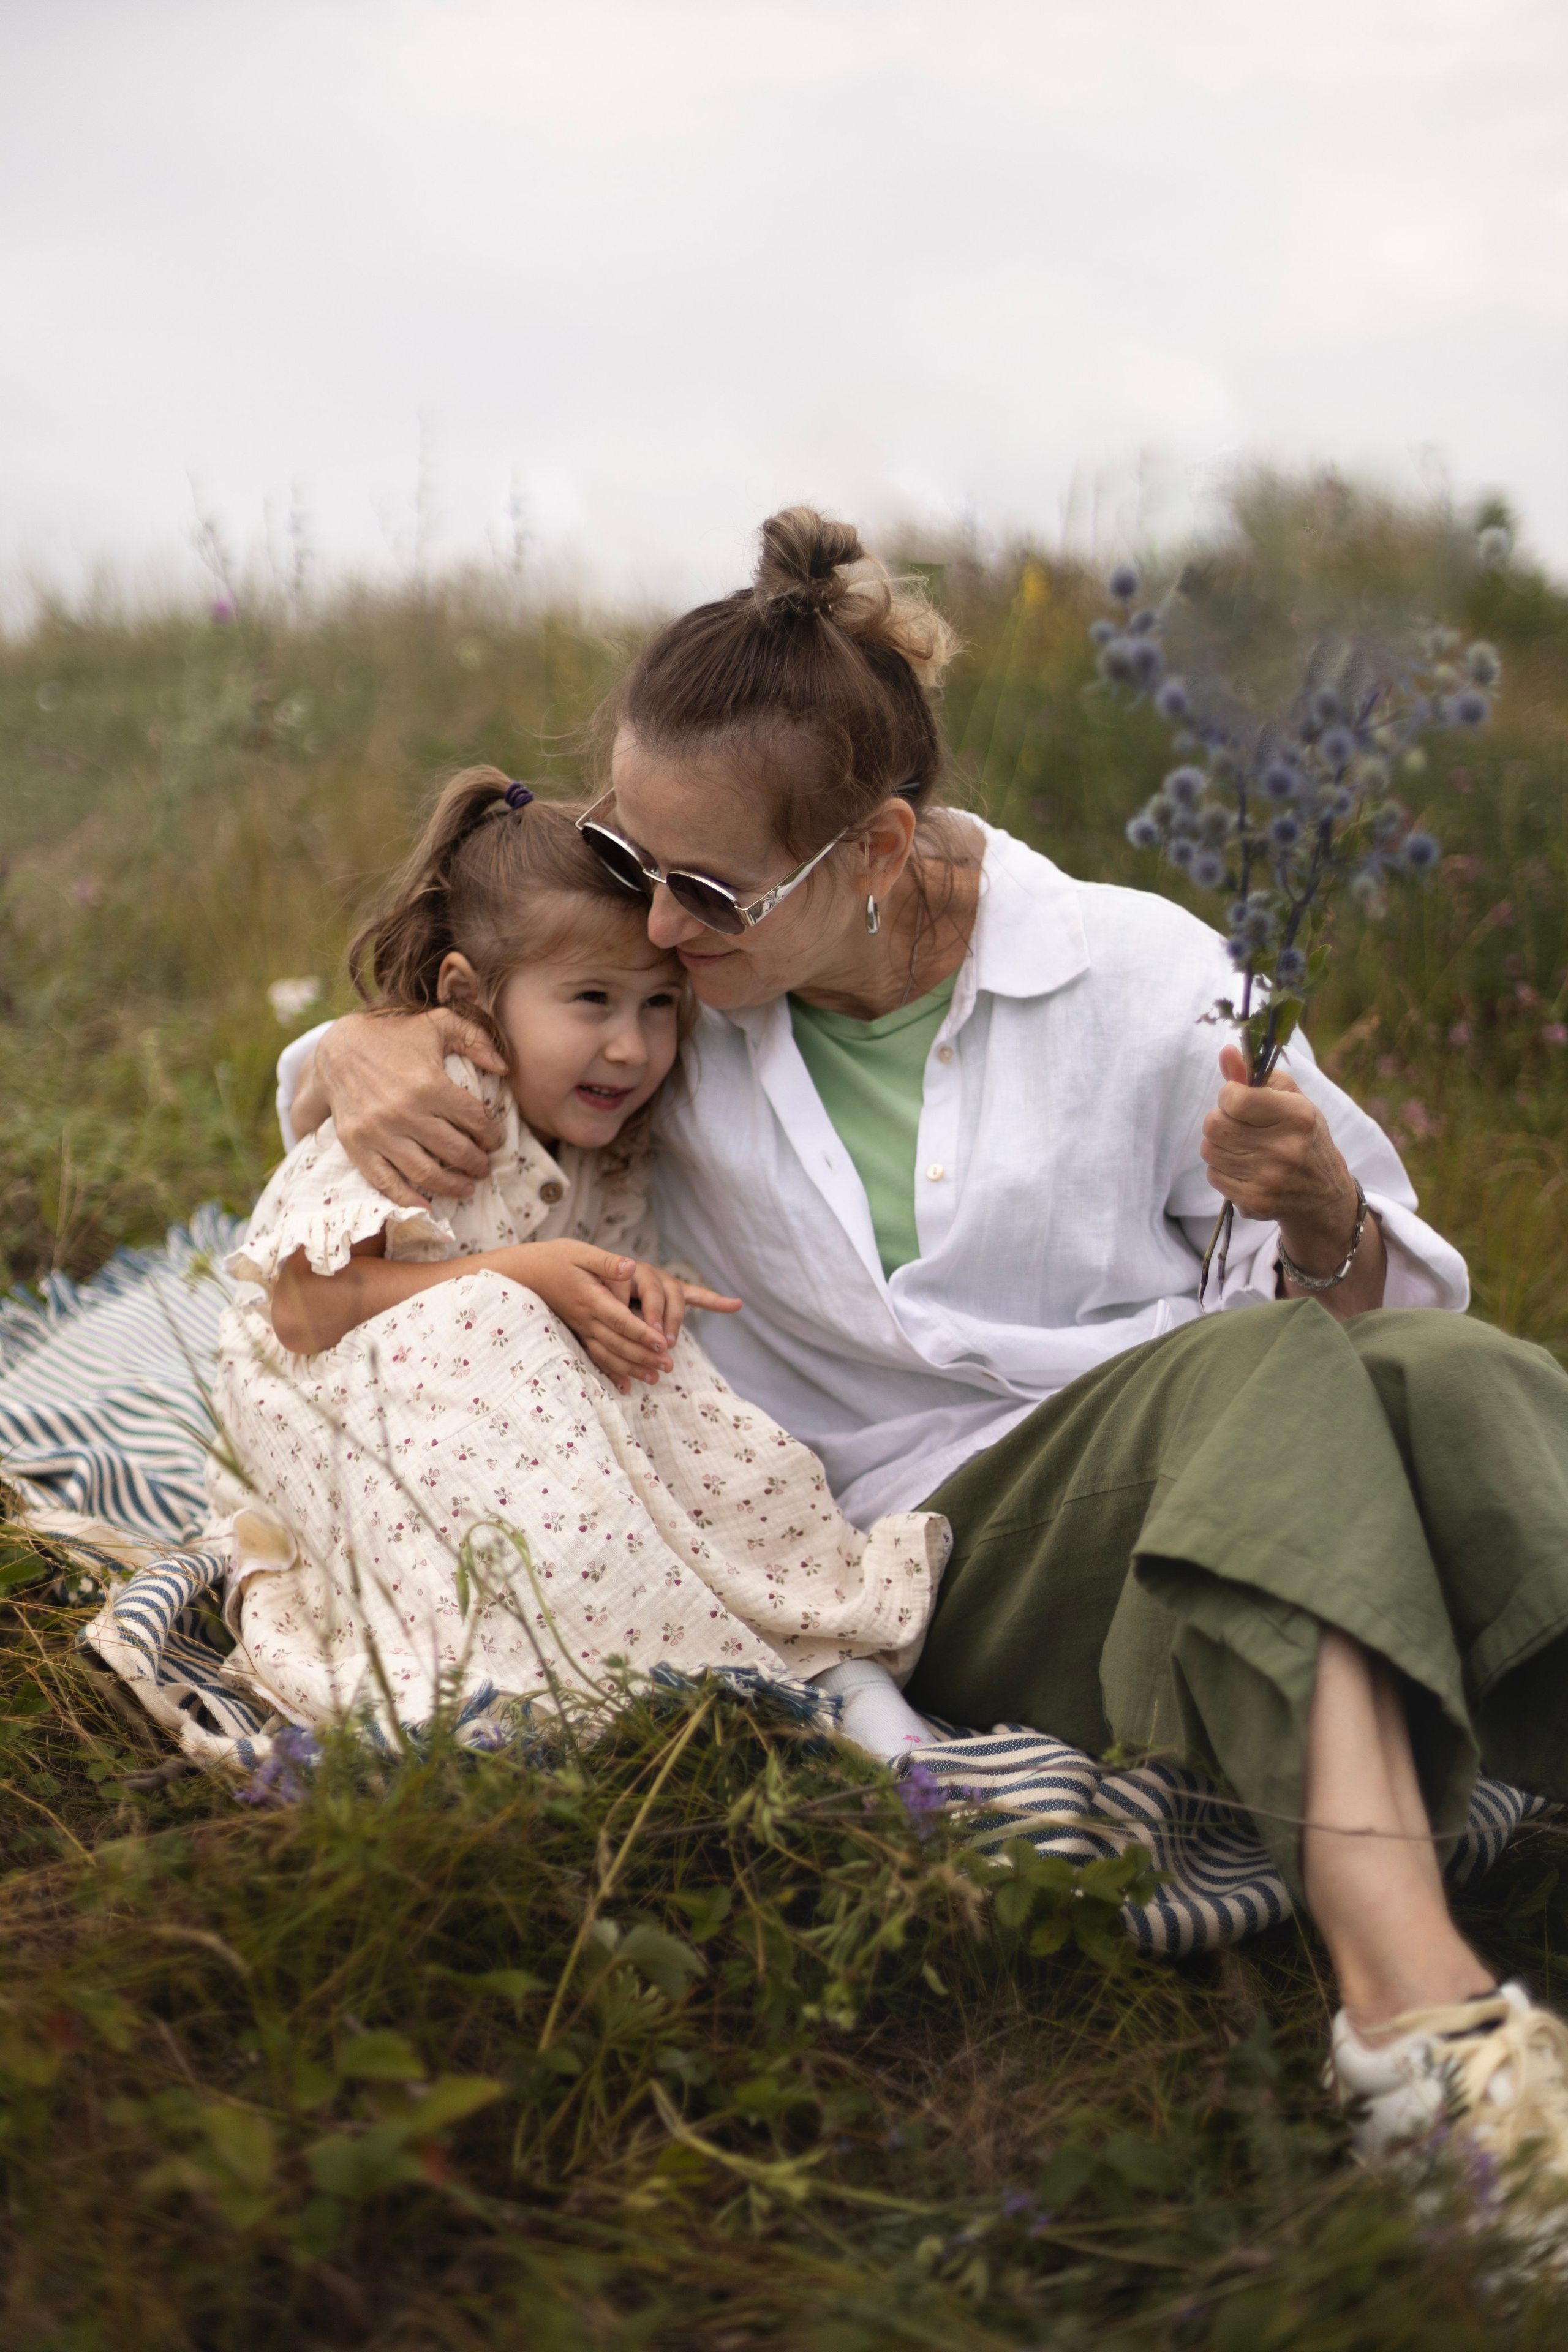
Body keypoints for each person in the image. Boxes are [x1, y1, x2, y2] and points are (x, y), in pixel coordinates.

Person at [281, 513, 1568, 2229]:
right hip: (921, 1551)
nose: (659, 923)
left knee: (1478, 1381)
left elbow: (1362, 1320)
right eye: (628, 853)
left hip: (1220, 1456)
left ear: (876, 848)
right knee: (1253, 1372)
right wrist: (354, 1046)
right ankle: (1417, 2021)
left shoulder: (1149, 981)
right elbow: (467, 1029)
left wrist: (1328, 1209)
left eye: (712, 889)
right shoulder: (672, 1017)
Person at [209, 767, 949, 1744]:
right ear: (472, 996)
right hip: (339, 1409)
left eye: (658, 1006)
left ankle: (819, 1661)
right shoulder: (444, 1100)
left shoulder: (608, 1147)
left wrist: (611, 1292)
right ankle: (578, 1674)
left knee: (654, 1369)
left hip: (493, 1417)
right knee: (504, 1320)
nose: (632, 1048)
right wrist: (534, 1275)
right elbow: (305, 1313)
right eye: (592, 999)